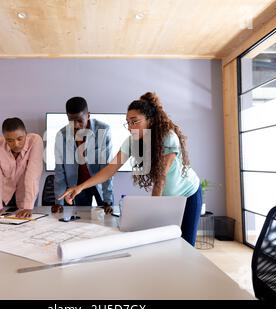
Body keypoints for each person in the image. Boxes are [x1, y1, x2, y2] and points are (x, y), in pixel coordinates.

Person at [59, 92, 202, 246]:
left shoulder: (168, 137)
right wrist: (80, 187)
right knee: (166, 246)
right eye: (128, 123)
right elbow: (110, 169)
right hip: (167, 199)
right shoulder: (131, 141)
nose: (130, 127)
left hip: (188, 195)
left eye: (135, 122)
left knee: (187, 245)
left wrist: (152, 212)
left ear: (150, 120)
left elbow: (161, 178)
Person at [53, 97, 114, 214]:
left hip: (99, 183)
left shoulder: (103, 130)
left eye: (80, 120)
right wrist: (58, 202)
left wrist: (108, 200)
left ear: (88, 115)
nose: (76, 125)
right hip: (77, 185)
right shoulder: (62, 135)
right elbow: (59, 171)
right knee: (81, 219)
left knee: (108, 218)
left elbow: (107, 168)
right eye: (71, 121)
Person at [0, 117, 43, 220]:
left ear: (26, 133)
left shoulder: (35, 141)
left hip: (27, 194)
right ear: (4, 138)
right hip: (5, 194)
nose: (16, 144)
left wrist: (28, 207)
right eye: (10, 140)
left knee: (26, 225)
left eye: (20, 139)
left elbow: (33, 176)